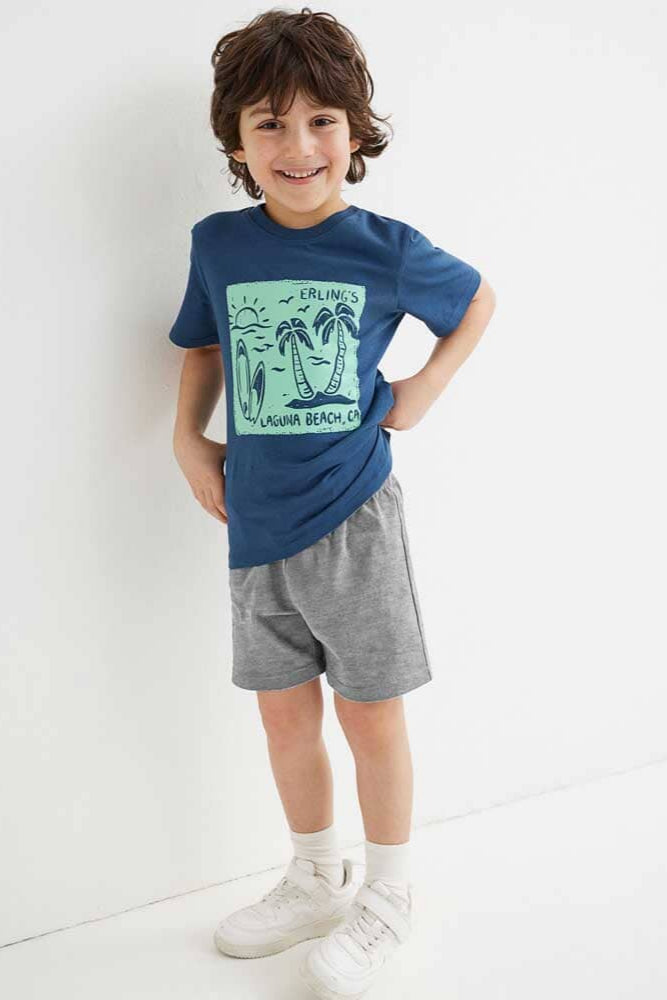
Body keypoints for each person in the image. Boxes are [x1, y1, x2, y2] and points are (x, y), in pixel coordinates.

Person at [168, 7, 496, 997]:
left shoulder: (382, 250)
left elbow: (475, 300)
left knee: (369, 717)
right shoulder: (219, 245)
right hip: (254, 523)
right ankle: (315, 875)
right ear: (237, 142)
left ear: (354, 133)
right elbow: (202, 343)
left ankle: (387, 890)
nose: (297, 145)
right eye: (269, 123)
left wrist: (422, 390)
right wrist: (187, 437)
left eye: (320, 121)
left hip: (352, 519)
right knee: (282, 719)